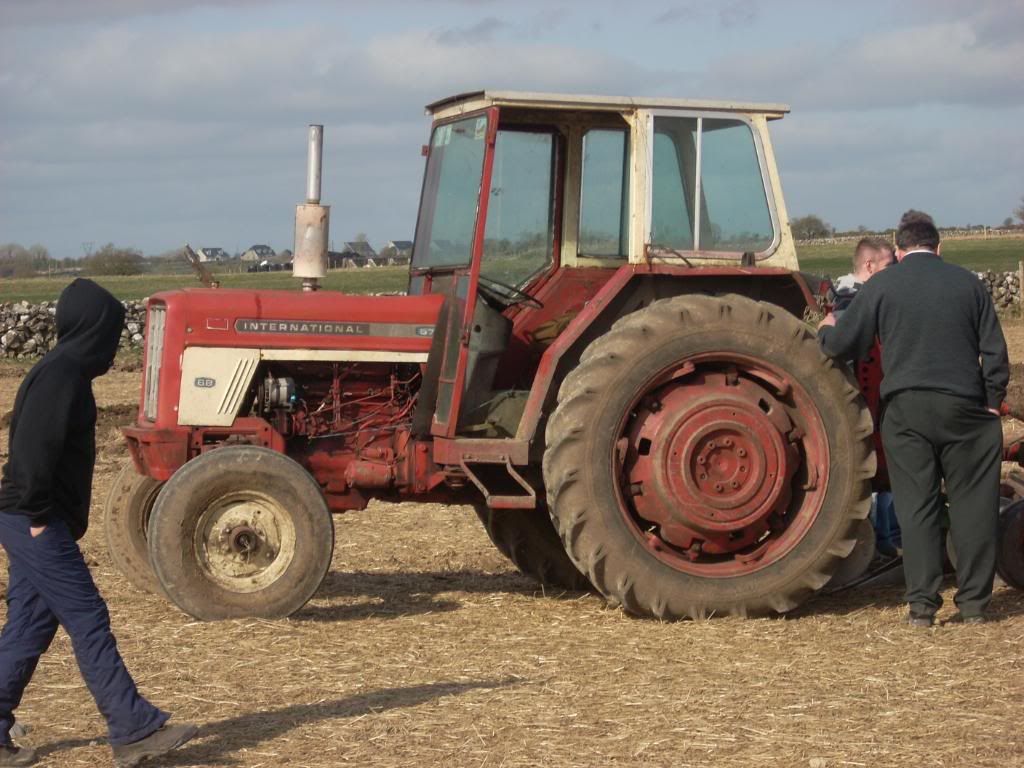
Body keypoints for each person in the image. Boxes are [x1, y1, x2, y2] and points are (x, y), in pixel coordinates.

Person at [0, 279, 197, 766]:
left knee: (29, 625)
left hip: (30, 518)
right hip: (33, 519)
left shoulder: (65, 373)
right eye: (109, 333)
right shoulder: (60, 375)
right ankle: (132, 729)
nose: (112, 345)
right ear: (92, 330)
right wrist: (41, 519)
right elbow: (29, 456)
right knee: (88, 617)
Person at [817, 211, 1008, 627]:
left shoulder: (883, 284)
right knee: (974, 507)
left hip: (906, 410)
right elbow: (994, 350)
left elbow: (846, 343)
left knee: (915, 507)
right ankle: (974, 605)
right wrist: (993, 400)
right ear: (939, 248)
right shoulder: (969, 283)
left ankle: (922, 606)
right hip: (966, 408)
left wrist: (827, 329)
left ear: (899, 251)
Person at [830, 237, 903, 558]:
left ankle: (887, 534)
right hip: (863, 400)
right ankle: (877, 537)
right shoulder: (850, 308)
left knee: (884, 469)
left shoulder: (860, 302)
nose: (894, 273)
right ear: (869, 266)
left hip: (878, 399)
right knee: (871, 468)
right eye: (889, 266)